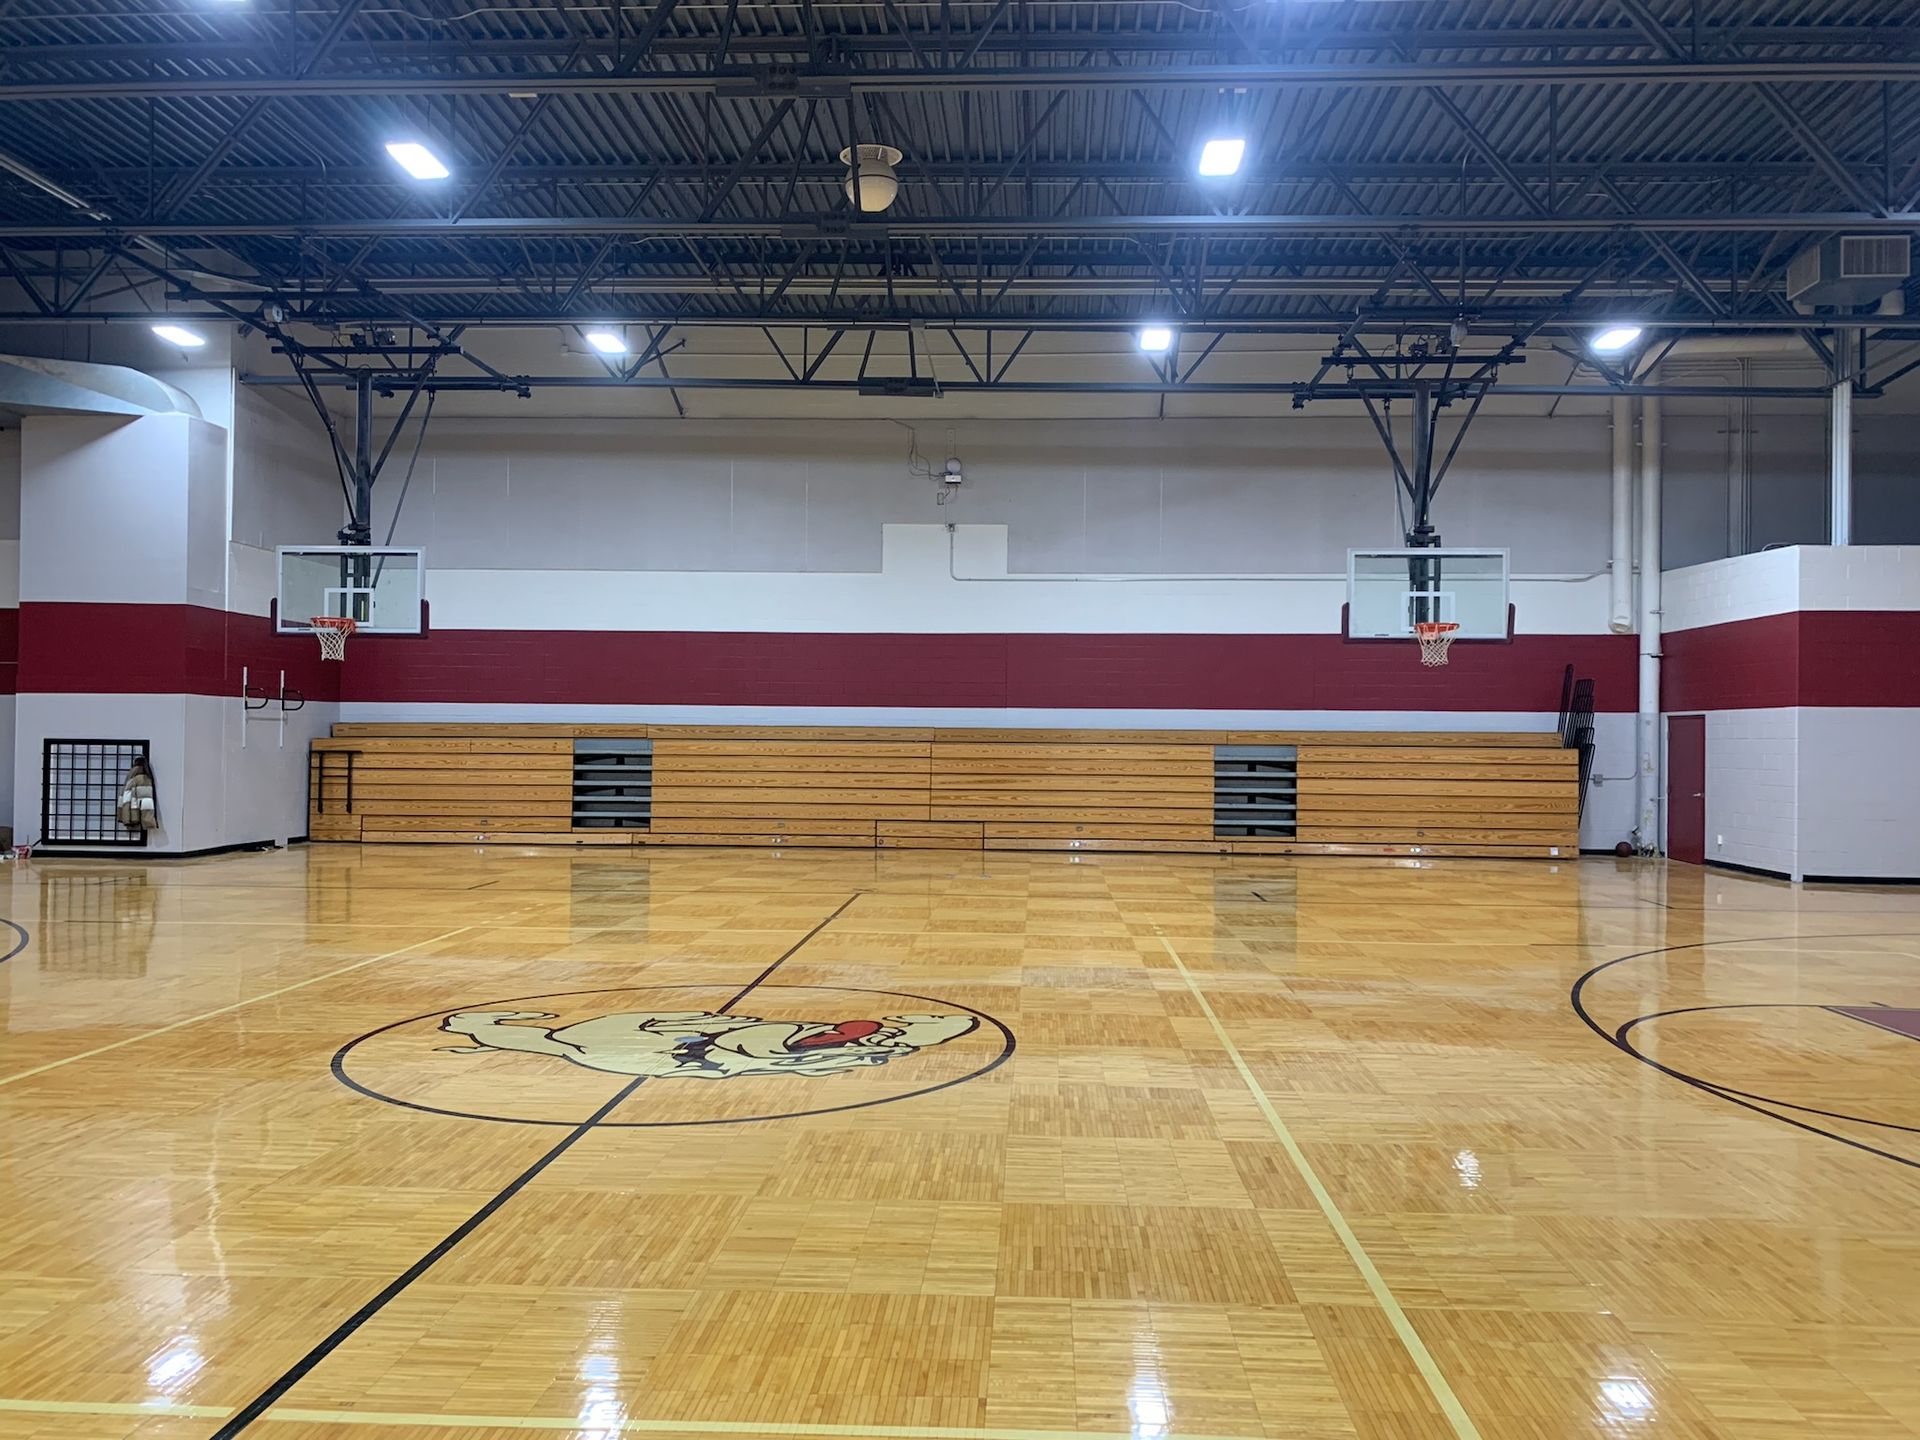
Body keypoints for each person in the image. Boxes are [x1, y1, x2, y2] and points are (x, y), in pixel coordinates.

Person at [116, 756, 159, 832]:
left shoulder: (131, 775)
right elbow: (146, 801)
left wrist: (123, 815)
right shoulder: (144, 778)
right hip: (137, 813)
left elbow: (124, 797)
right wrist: (149, 821)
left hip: (130, 813)